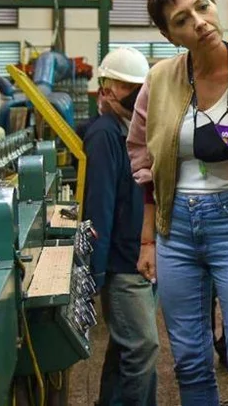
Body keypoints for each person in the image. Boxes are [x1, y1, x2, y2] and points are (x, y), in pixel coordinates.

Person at [127, 0, 228, 406]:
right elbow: (144, 159)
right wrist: (149, 238)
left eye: (202, 7)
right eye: (182, 19)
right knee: (189, 358)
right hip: (176, 228)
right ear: (171, 35)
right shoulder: (160, 80)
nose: (199, 22)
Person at [83, 46, 159, 406]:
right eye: (127, 87)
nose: (135, 95)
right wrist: (95, 273)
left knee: (123, 348)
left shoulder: (133, 130)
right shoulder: (104, 135)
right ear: (107, 88)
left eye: (139, 87)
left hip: (140, 255)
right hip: (121, 263)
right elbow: (100, 205)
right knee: (143, 348)